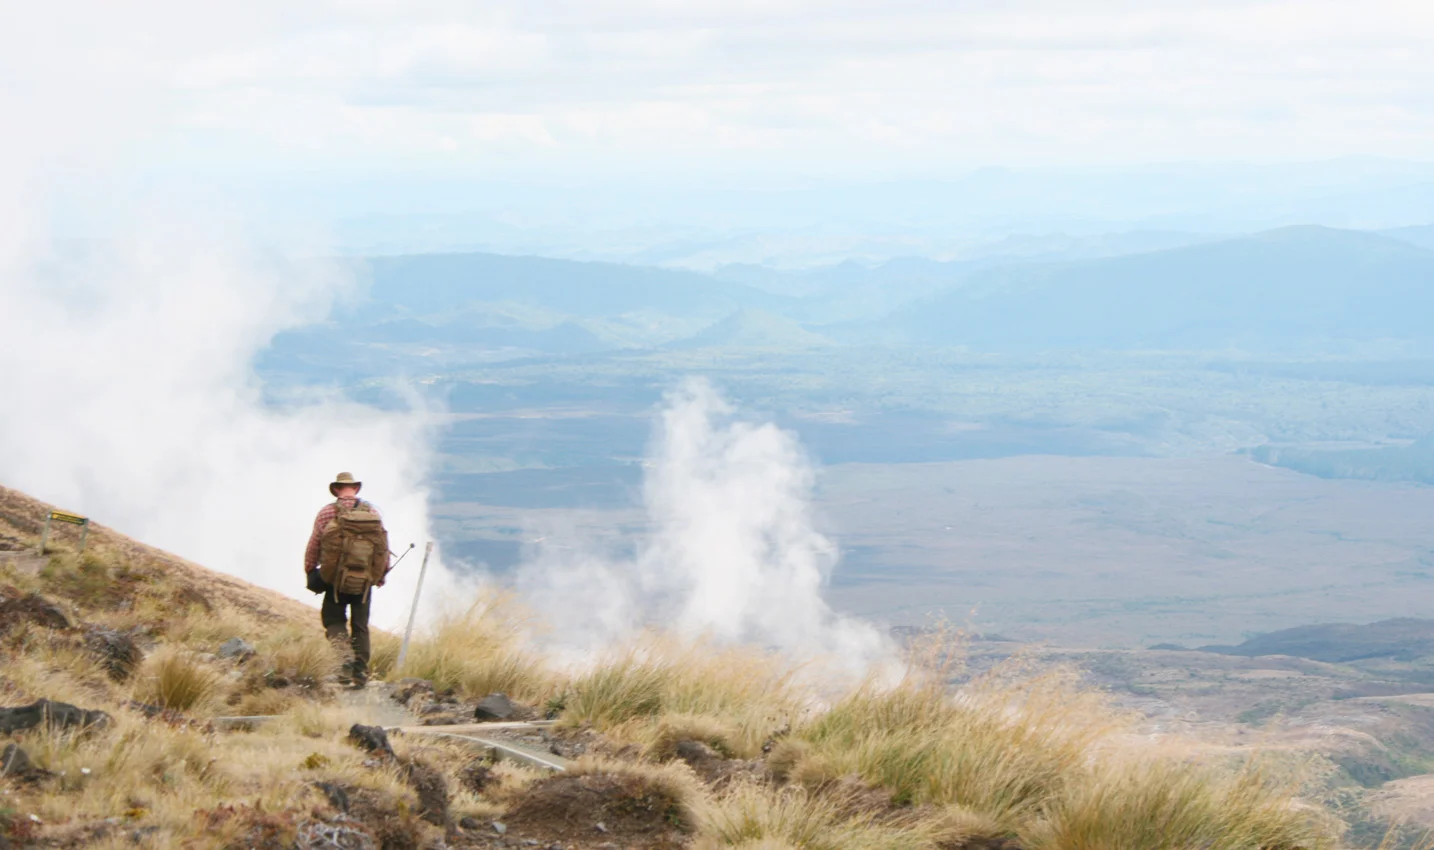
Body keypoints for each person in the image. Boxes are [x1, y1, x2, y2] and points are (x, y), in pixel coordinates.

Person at [304, 471, 384, 686]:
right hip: (365, 581)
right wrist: (380, 575)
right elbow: (382, 546)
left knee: (334, 620)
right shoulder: (372, 513)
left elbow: (315, 544)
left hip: (334, 580)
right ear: (355, 489)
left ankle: (344, 662)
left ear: (337, 490)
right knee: (360, 625)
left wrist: (311, 570)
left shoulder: (326, 513)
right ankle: (360, 674)